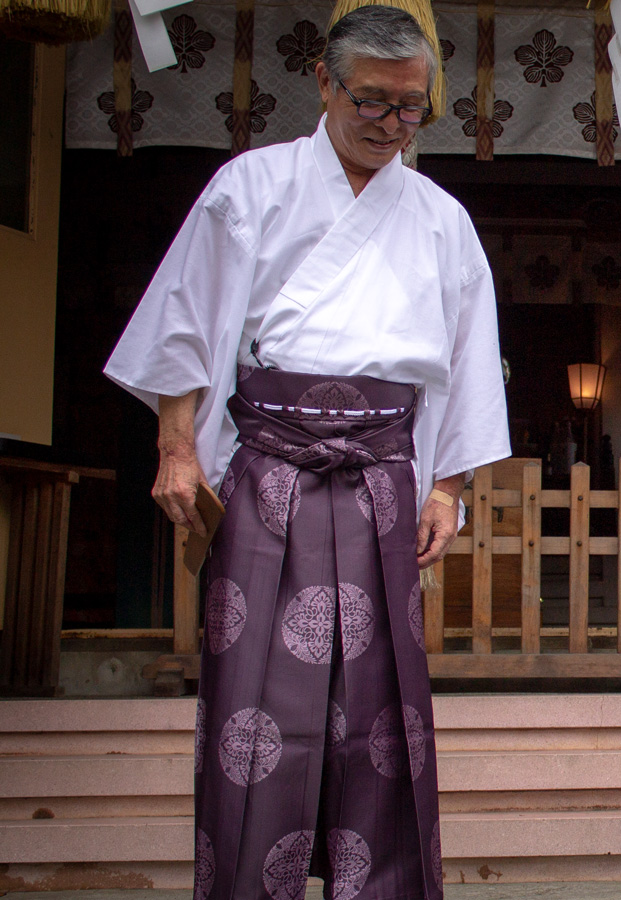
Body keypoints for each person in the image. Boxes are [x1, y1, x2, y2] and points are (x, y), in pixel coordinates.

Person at [103, 7, 509, 900]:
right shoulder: (249, 186)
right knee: (256, 697)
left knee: (380, 706)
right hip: (268, 467)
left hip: (383, 474)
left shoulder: (441, 217)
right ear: (324, 84)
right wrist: (177, 447)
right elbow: (185, 323)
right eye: (371, 101)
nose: (391, 124)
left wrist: (447, 486)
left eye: (411, 109)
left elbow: (471, 355)